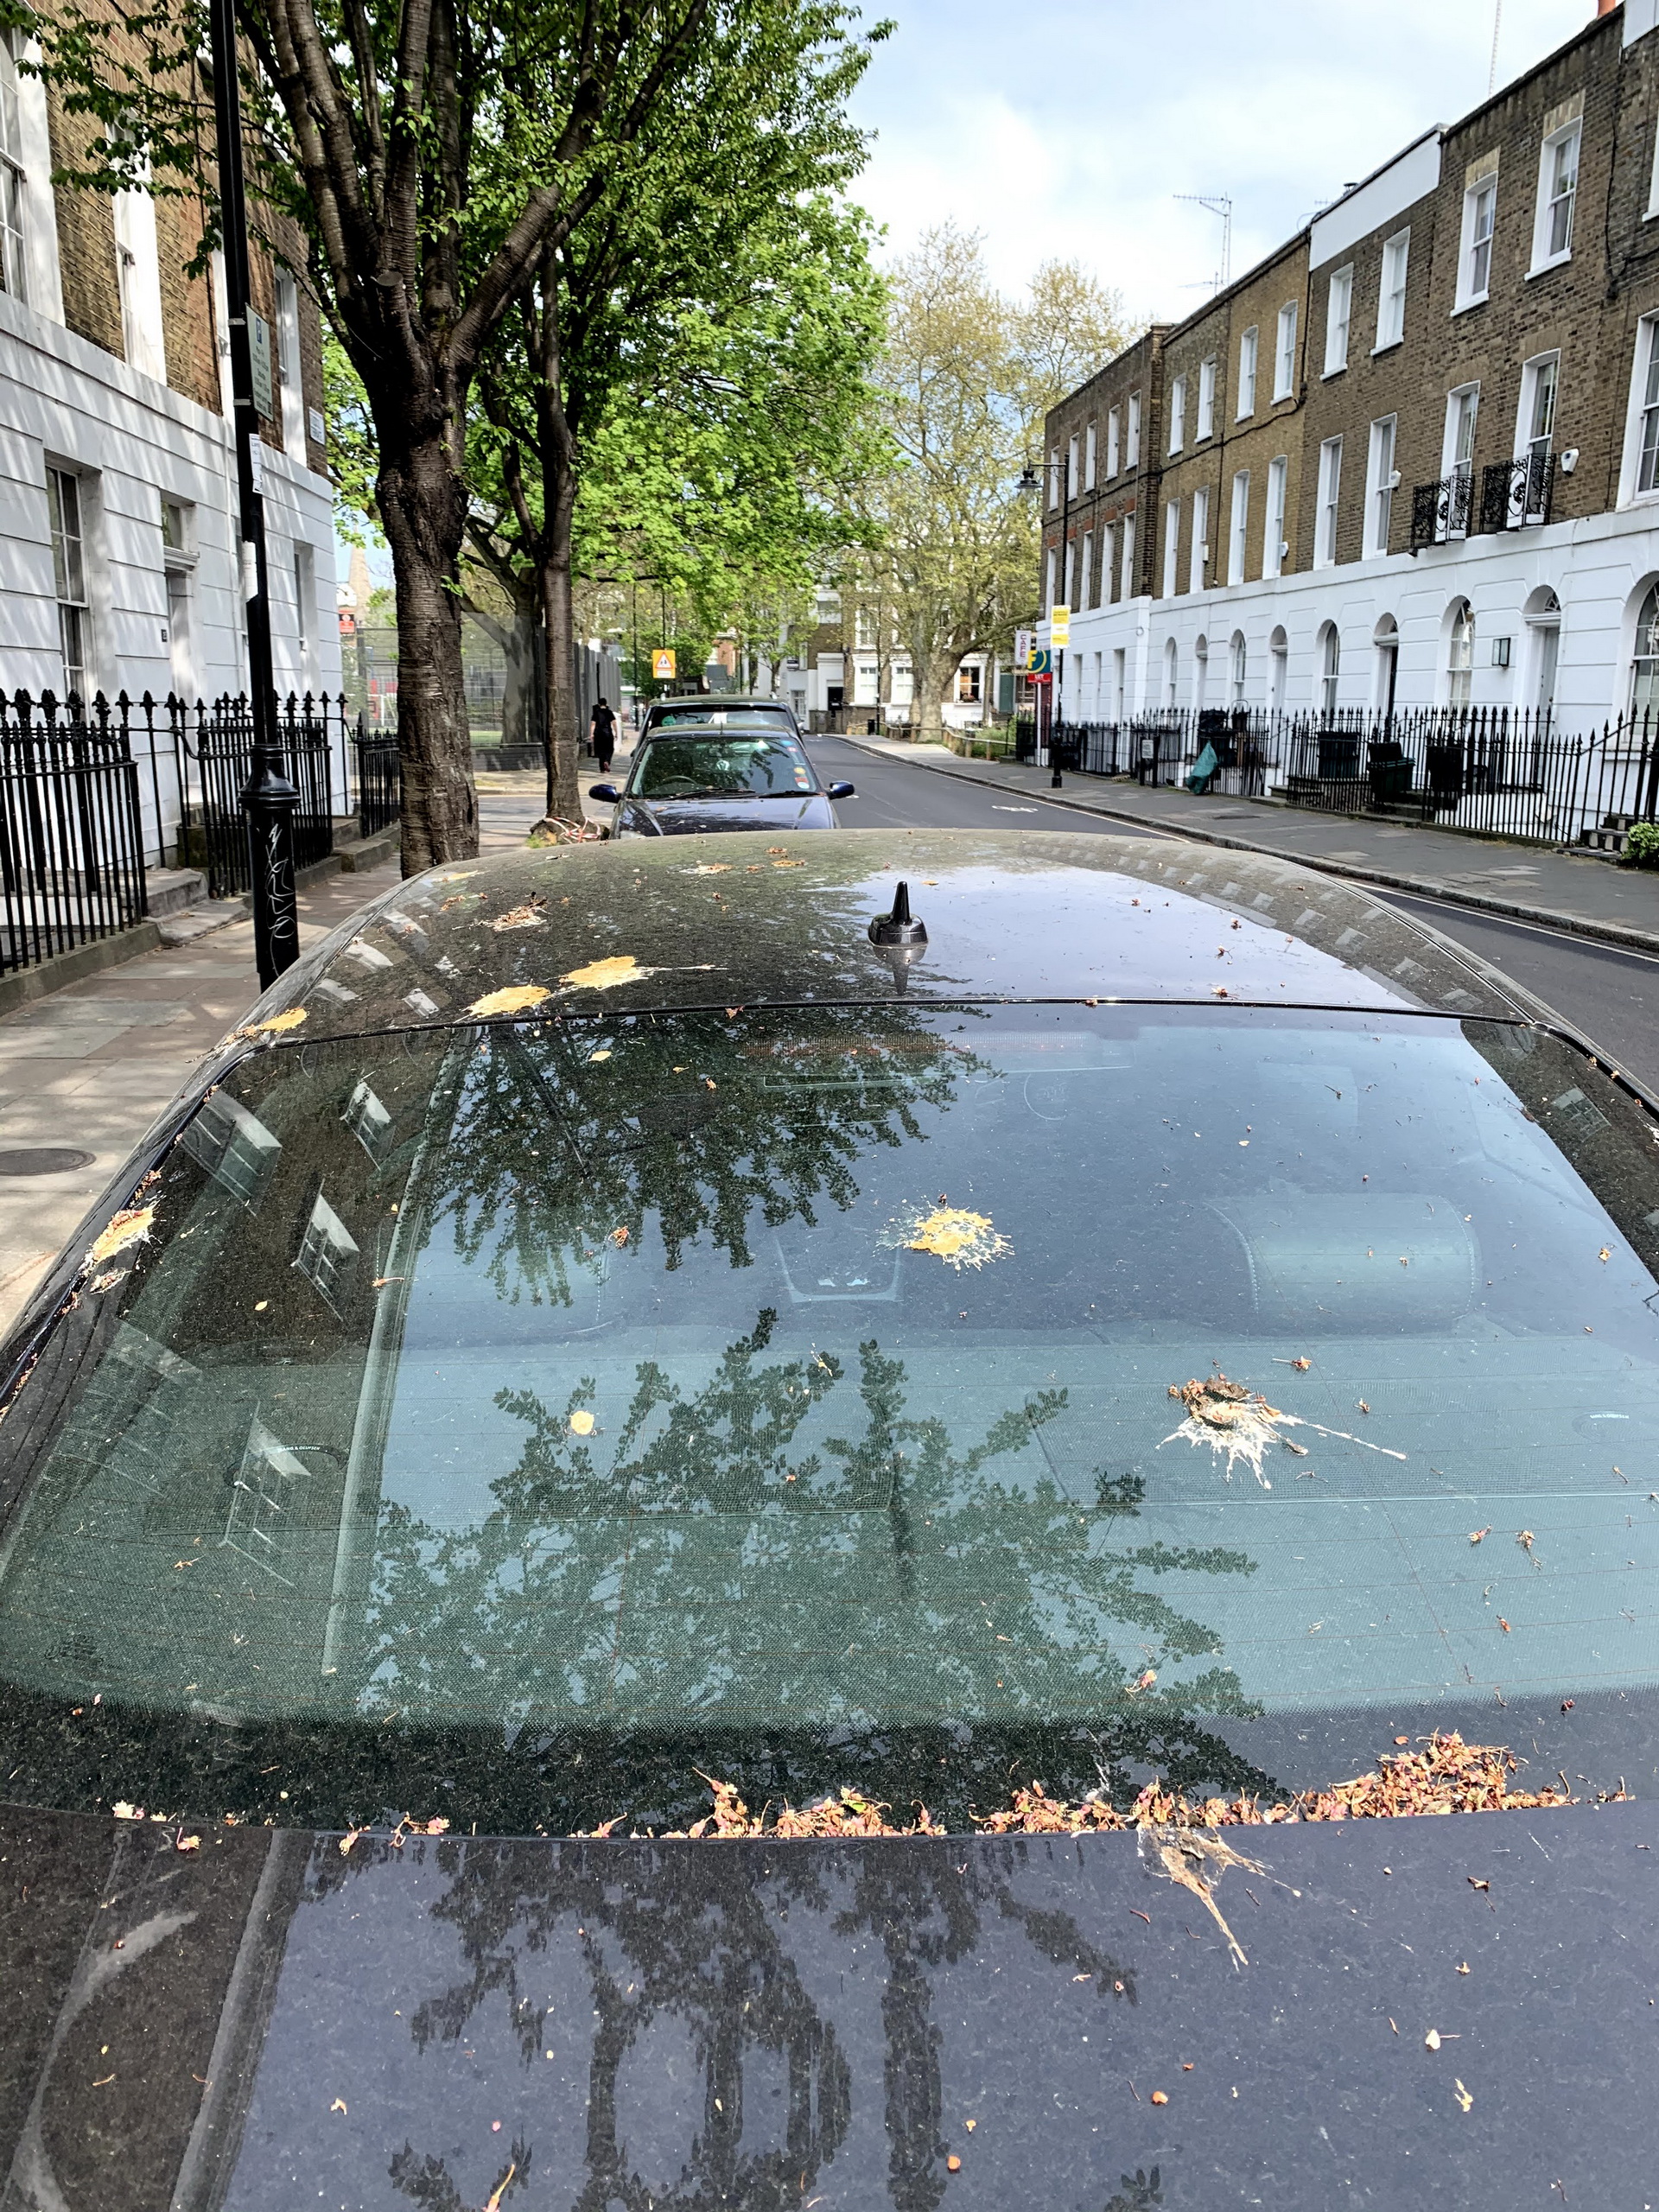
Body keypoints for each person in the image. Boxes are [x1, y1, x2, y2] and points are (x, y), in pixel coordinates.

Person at [590, 696, 617, 773]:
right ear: (606, 704)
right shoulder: (609, 712)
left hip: (598, 733)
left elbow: (593, 724)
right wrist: (616, 733)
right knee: (610, 749)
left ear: (599, 704)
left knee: (600, 750)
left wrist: (592, 734)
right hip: (608, 732)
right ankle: (607, 761)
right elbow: (614, 723)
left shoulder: (596, 712)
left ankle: (602, 768)